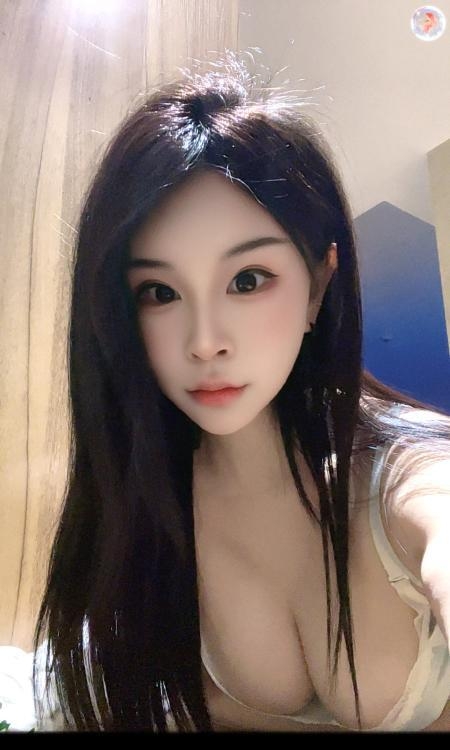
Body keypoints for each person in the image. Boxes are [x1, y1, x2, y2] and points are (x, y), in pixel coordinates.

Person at [4, 53, 449, 733]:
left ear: (318, 285)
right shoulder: (147, 509)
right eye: (160, 292)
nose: (204, 341)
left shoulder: (409, 481)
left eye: (247, 280)